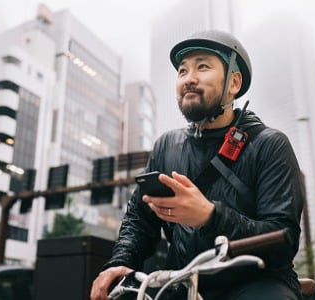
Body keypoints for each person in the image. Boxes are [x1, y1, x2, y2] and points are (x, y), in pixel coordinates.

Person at [91, 29, 304, 300]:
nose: (189, 79)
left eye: (202, 67)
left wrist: (211, 217)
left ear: (233, 83)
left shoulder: (269, 144)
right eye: (182, 71)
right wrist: (120, 262)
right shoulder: (166, 147)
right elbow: (139, 220)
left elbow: (284, 238)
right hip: (181, 282)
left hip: (257, 282)